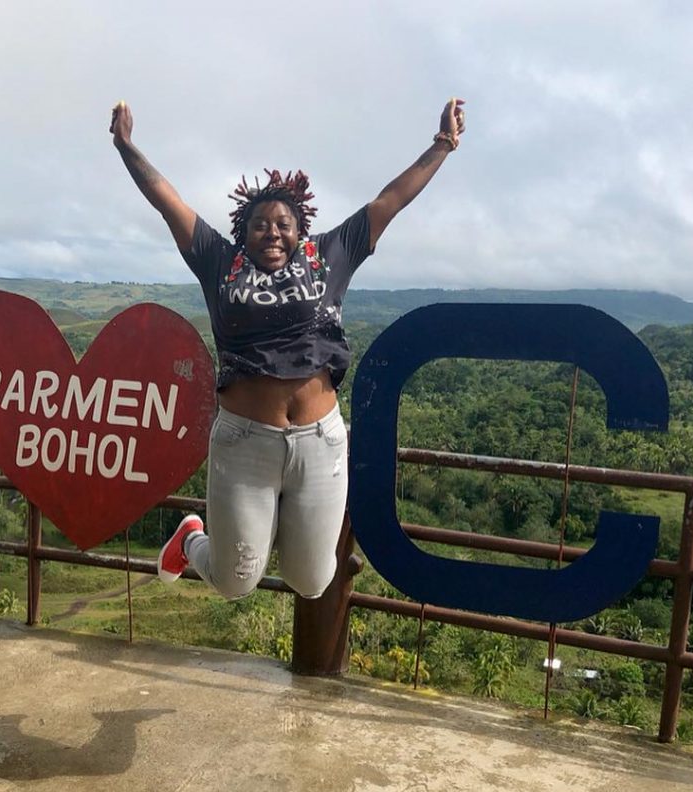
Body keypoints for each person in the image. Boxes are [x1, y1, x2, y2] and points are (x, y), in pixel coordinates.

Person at [110, 98, 465, 600]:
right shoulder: (220, 263)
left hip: (320, 443)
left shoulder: (330, 256)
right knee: (236, 582)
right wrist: (128, 148)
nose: (272, 232)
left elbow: (391, 200)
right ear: (244, 231)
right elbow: (167, 201)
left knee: (313, 582)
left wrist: (443, 145)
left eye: (283, 224)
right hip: (244, 443)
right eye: (260, 225)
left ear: (300, 229)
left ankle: (253, 534)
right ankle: (192, 540)